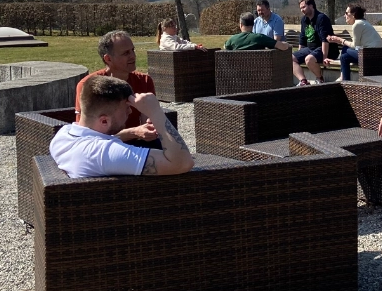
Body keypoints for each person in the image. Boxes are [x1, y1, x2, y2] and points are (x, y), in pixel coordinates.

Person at [51, 74, 194, 178]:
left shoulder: (64, 134)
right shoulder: (105, 153)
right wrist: (156, 112)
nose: (130, 111)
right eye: (126, 108)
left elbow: (98, 141)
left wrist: (132, 131)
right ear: (104, 121)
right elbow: (182, 163)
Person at [75, 30, 162, 142]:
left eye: (132, 50)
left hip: (137, 144)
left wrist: (150, 127)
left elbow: (148, 119)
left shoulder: (144, 80)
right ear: (108, 59)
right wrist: (133, 132)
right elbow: (87, 136)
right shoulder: (88, 86)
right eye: (126, 53)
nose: (133, 56)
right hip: (101, 149)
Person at [325, 2, 382, 81]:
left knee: (344, 53)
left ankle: (344, 80)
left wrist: (339, 40)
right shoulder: (362, 22)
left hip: (371, 55)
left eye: (346, 13)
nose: (344, 15)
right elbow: (358, 46)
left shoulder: (357, 24)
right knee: (345, 54)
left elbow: (355, 46)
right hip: (377, 54)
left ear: (353, 14)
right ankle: (343, 78)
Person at [293, 0, 334, 85]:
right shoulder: (304, 20)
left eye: (303, 7)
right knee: (290, 58)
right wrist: (300, 53)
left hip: (324, 49)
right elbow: (302, 38)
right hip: (310, 49)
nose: (302, 10)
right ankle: (303, 81)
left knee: (309, 59)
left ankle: (320, 79)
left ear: (311, 6)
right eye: (300, 8)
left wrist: (324, 57)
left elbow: (325, 39)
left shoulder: (321, 18)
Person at [224, 12, 293, 51]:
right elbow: (281, 46)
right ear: (253, 24)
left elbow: (225, 47)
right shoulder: (259, 38)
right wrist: (287, 45)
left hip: (237, 74)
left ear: (241, 25)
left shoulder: (232, 39)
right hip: (259, 73)